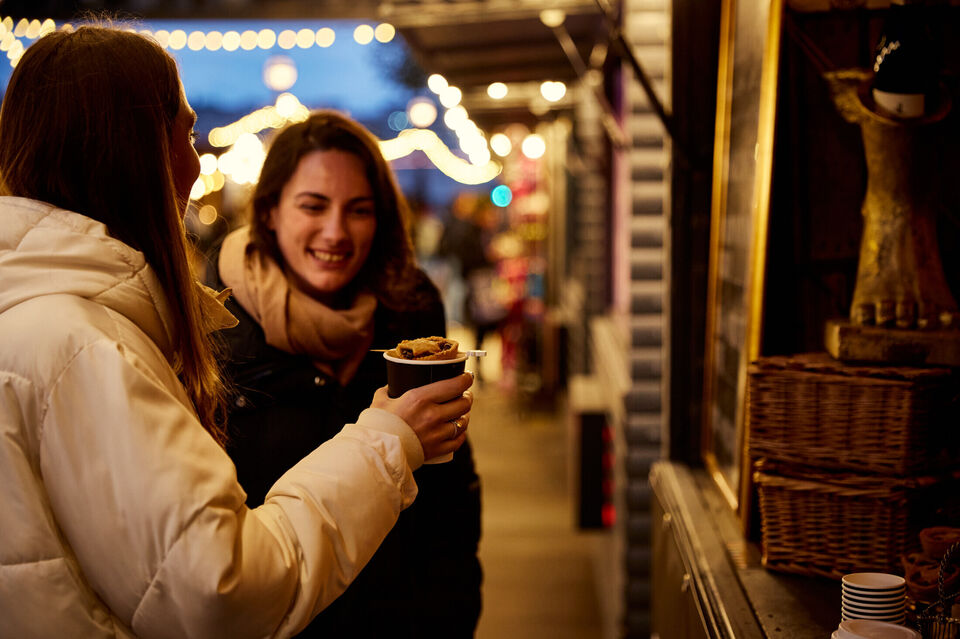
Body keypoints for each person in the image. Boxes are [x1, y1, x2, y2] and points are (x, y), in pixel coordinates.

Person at [0, 24, 473, 639]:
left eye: (359, 209)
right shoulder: (90, 345)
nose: (195, 162)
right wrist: (387, 440)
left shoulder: (408, 305)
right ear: (134, 150)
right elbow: (221, 589)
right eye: (186, 132)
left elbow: (452, 513)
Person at [205, 110, 483, 638]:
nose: (336, 232)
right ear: (270, 212)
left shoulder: (409, 308)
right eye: (313, 206)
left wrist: (453, 613)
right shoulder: (212, 324)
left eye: (358, 210)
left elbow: (449, 488)